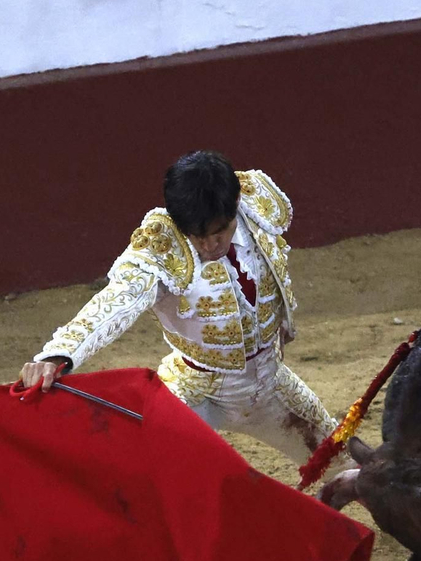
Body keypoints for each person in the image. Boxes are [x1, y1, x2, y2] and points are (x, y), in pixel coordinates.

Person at [17, 150, 336, 463]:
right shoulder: (162, 246)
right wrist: (58, 354)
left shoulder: (254, 206)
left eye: (219, 231)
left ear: (236, 206)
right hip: (196, 391)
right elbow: (116, 303)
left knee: (344, 463)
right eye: (197, 236)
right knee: (152, 482)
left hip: (270, 380)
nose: (209, 245)